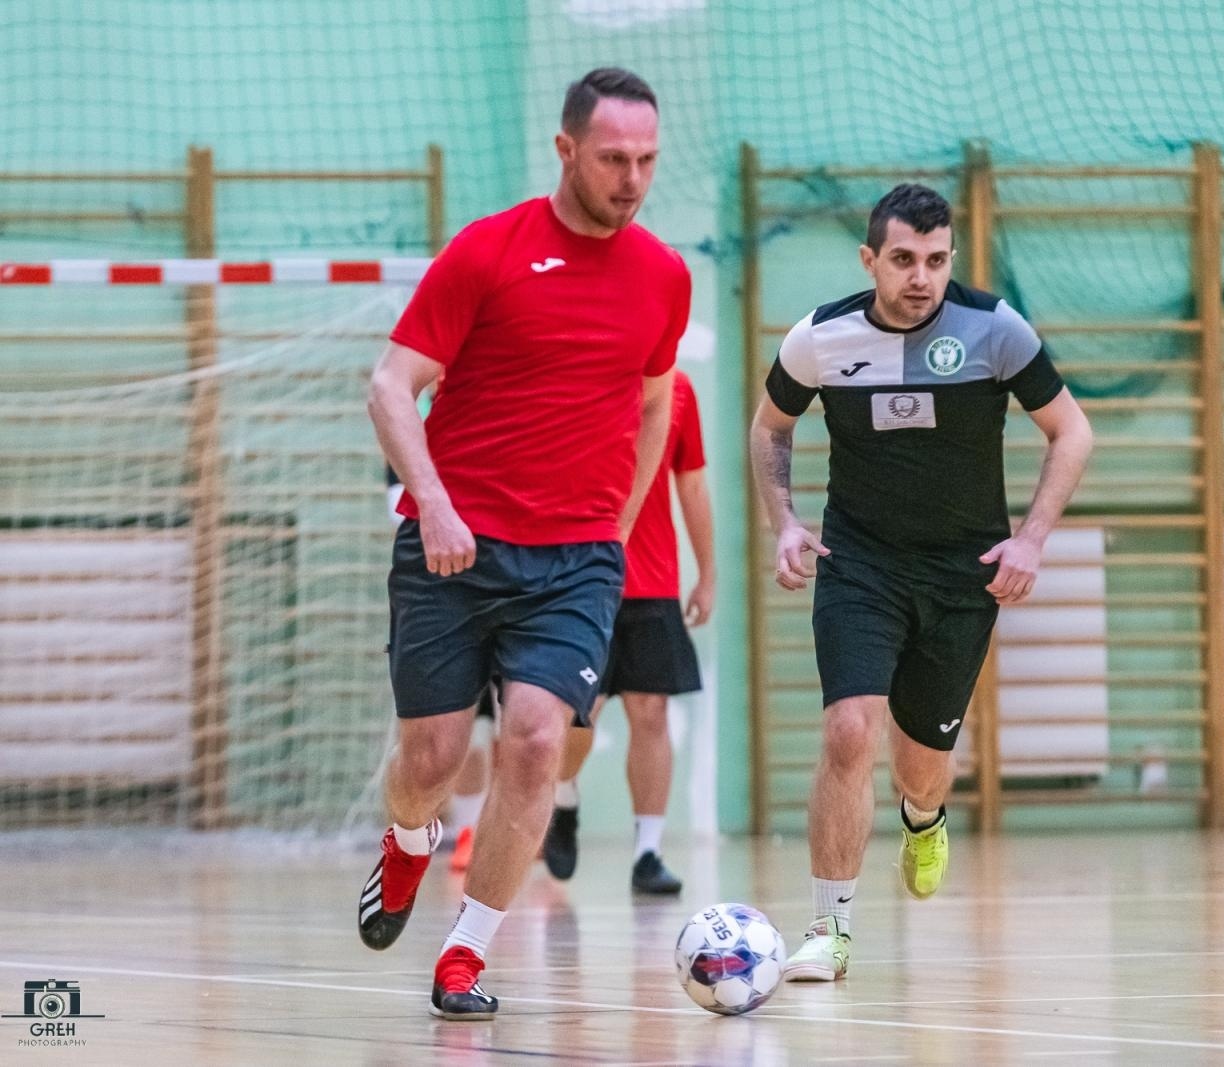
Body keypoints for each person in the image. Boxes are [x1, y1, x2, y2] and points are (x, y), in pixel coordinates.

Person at [360, 67, 689, 1021]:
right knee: (431, 758)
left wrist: (618, 532)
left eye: (648, 160)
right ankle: (408, 840)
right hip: (455, 548)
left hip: (576, 562)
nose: (632, 178)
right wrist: (433, 504)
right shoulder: (487, 252)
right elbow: (390, 386)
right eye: (614, 158)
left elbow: (657, 393)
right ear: (566, 150)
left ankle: (464, 954)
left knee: (539, 743)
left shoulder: (662, 275)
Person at [748, 183, 1094, 981]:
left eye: (936, 261)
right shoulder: (821, 338)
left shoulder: (994, 329)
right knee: (847, 731)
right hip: (859, 562)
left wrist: (1031, 541)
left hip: (960, 571)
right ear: (870, 259)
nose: (921, 277)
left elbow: (1071, 430)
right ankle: (829, 930)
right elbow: (772, 424)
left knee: (919, 763)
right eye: (903, 259)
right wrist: (788, 524)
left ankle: (923, 815)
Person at [542, 368, 714, 896]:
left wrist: (707, 574)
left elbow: (691, 482)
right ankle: (564, 797)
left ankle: (648, 851)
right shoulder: (572, 379)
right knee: (576, 716)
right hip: (578, 576)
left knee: (651, 711)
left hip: (652, 579)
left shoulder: (677, 390)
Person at [387, 461, 493, 875]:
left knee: (522, 726)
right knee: (456, 736)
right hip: (445, 584)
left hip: (525, 576)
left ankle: (500, 830)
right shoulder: (413, 421)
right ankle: (462, 830)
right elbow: (398, 503)